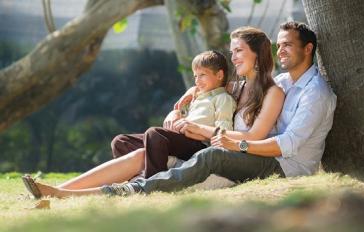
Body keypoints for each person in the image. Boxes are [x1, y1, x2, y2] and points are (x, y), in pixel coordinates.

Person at [22, 26, 286, 198]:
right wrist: (182, 103)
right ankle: (54, 190)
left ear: (258, 54)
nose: (234, 57)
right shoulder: (239, 85)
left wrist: (198, 129)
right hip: (199, 138)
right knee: (125, 144)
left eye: (239, 51)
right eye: (233, 52)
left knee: (153, 136)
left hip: (218, 151)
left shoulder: (270, 91)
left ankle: (148, 182)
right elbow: (206, 86)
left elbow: (253, 136)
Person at [98, 21, 336, 196]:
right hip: (256, 152)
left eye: (288, 45)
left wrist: (235, 143)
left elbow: (287, 144)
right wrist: (181, 104)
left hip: (287, 166)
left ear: (308, 49)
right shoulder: (283, 82)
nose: (281, 49)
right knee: (126, 142)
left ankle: (140, 188)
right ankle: (96, 187)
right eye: (280, 44)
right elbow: (213, 85)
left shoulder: (315, 93)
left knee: (208, 153)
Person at [22, 50, 236, 198]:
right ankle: (60, 189)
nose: (197, 80)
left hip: (199, 147)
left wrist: (194, 130)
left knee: (154, 134)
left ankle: (152, 184)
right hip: (182, 139)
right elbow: (182, 114)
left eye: (203, 75)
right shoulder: (198, 96)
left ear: (219, 75)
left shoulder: (222, 99)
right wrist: (177, 113)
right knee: (121, 141)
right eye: (195, 76)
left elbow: (222, 136)